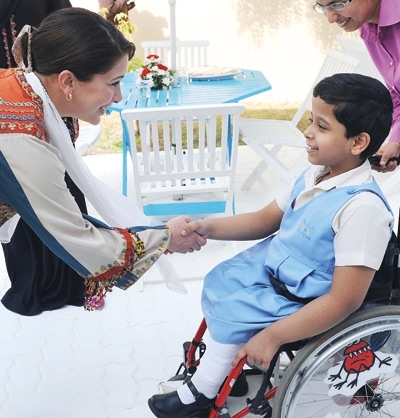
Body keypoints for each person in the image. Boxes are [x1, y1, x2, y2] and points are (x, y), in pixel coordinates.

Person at [147, 73, 395, 418]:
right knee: (222, 282)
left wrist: (274, 335)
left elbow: (344, 300)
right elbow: (265, 219)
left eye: (321, 126)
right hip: (278, 272)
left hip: (305, 298)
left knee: (235, 309)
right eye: (311, 121)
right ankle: (221, 367)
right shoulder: (314, 176)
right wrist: (207, 227)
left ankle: (201, 393)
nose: (307, 132)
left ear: (358, 143)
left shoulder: (363, 208)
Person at [0, 7, 205, 316]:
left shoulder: (20, 88)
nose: (119, 96)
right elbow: (76, 239)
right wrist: (164, 238)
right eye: (113, 83)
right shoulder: (20, 134)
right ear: (68, 82)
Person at [312, 0, 400, 173]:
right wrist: (396, 142)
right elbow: (397, 95)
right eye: (322, 7)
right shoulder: (369, 27)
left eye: (337, 4)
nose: (330, 18)